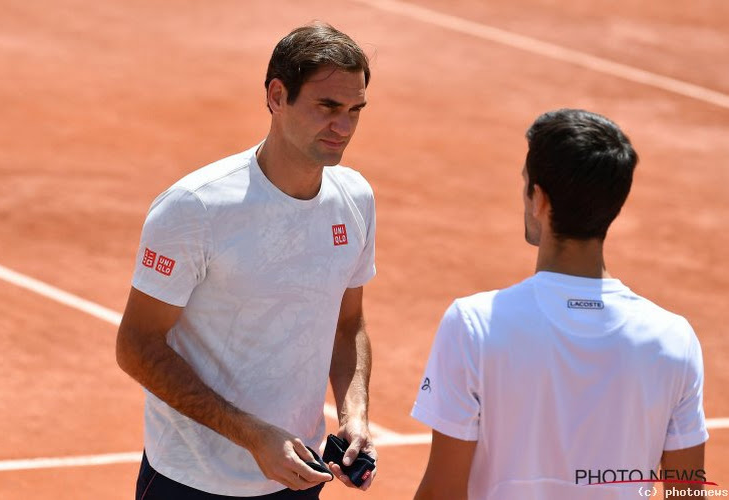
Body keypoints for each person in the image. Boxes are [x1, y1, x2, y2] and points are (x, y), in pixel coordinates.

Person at [116, 22, 377, 499]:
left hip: (297, 478)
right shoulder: (195, 208)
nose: (344, 126)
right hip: (191, 481)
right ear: (277, 96)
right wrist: (253, 437)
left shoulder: (355, 200)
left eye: (355, 110)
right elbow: (137, 345)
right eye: (328, 107)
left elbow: (349, 324)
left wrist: (353, 412)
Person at [412, 109, 708, 500]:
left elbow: (442, 494)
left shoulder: (473, 325)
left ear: (539, 198)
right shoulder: (674, 339)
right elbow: (686, 494)